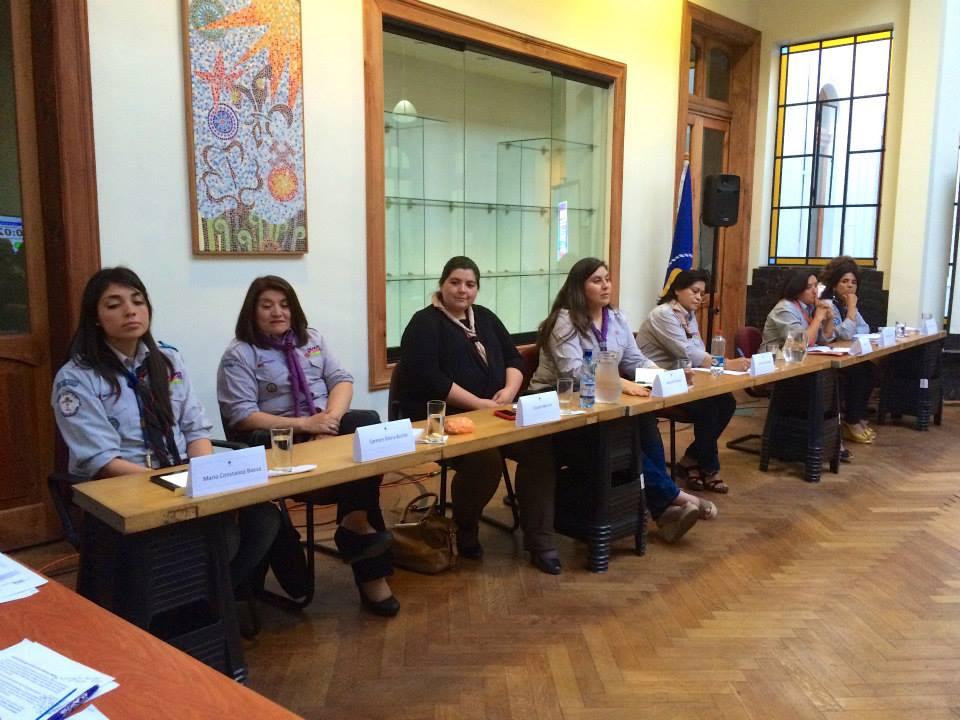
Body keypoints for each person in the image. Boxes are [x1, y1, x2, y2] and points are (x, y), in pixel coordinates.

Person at [51, 267, 279, 593]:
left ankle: (210, 598)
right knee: (221, 535)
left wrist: (202, 477)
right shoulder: (77, 378)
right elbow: (103, 461)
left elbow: (195, 429)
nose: (130, 310)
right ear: (96, 318)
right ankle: (196, 600)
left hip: (180, 478)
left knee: (263, 517)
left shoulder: (168, 360)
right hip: (124, 490)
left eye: (137, 301)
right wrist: (172, 485)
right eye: (114, 304)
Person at [217, 275, 399, 616]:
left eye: (284, 305)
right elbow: (242, 416)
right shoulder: (239, 353)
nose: (277, 312)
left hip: (322, 427)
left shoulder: (312, 339)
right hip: (278, 439)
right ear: (252, 312)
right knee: (355, 465)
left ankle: (355, 523)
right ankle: (363, 547)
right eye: (267, 305)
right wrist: (305, 425)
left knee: (365, 423)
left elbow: (341, 380)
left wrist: (329, 422)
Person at [394, 256, 563, 574]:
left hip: (496, 414)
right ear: (442, 285)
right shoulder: (424, 323)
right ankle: (465, 527)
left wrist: (509, 391)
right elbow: (430, 377)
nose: (463, 290)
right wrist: (478, 404)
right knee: (485, 458)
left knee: (539, 447)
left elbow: (514, 358)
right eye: (455, 283)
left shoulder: (485, 317)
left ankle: (540, 541)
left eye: (470, 284)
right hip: (444, 419)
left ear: (477, 289)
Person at [529, 257, 717, 544]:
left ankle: (664, 509)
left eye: (607, 279)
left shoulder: (616, 318)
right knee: (622, 439)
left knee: (644, 422)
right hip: (557, 402)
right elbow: (574, 372)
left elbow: (635, 360)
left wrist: (664, 376)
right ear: (579, 287)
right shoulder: (563, 321)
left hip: (602, 400)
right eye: (597, 281)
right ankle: (675, 498)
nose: (606, 286)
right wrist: (623, 383)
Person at [636, 269, 749, 493]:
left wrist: (716, 364)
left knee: (726, 402)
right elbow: (687, 352)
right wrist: (726, 363)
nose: (699, 297)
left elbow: (698, 351)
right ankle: (710, 468)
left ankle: (691, 459)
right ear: (678, 290)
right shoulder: (663, 314)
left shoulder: (687, 315)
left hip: (680, 379)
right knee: (708, 408)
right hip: (654, 381)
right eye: (694, 291)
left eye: (702, 294)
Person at [820, 256, 877, 444]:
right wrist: (851, 310)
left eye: (853, 282)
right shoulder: (828, 304)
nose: (850, 286)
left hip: (845, 354)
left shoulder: (846, 303)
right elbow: (843, 334)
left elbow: (864, 328)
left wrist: (850, 315)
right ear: (834, 284)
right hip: (825, 357)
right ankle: (851, 421)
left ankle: (857, 416)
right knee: (859, 374)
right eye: (844, 281)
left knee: (870, 369)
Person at [762, 269, 836, 348]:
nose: (815, 291)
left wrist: (829, 319)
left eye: (816, 285)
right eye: (809, 287)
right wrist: (817, 318)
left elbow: (824, 340)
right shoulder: (784, 309)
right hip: (775, 355)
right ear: (796, 289)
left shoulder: (809, 307)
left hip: (803, 354)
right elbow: (800, 343)